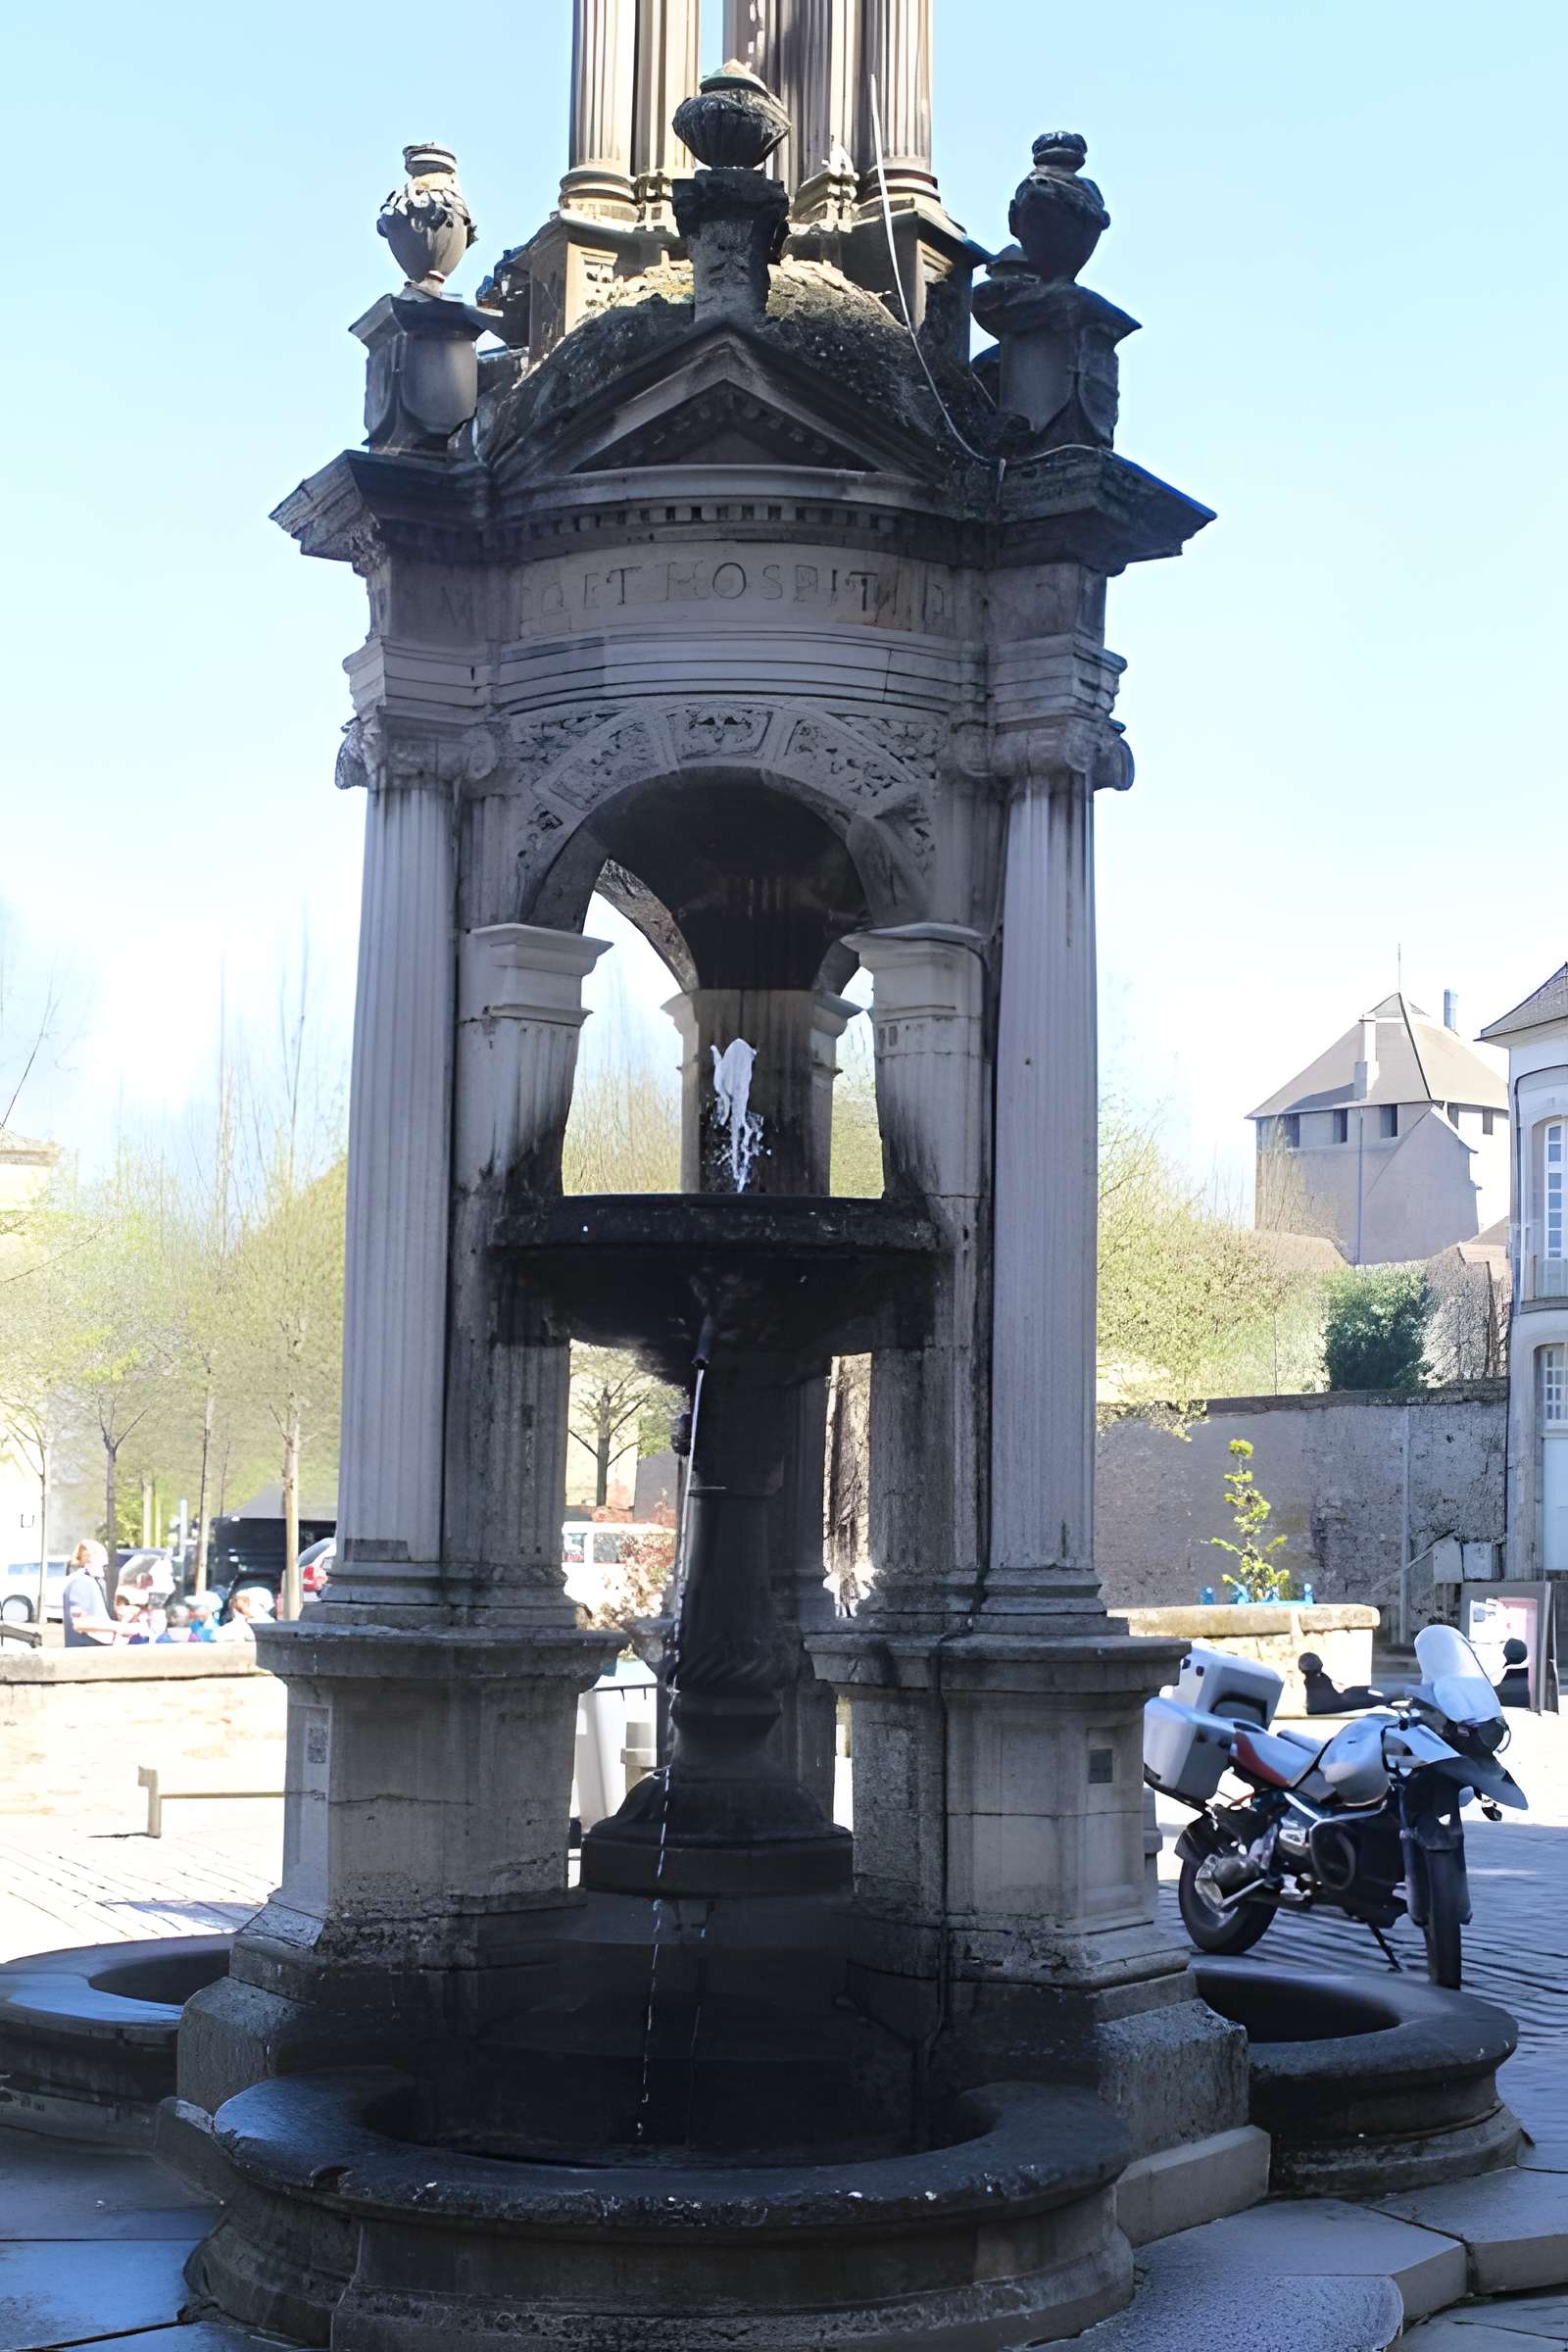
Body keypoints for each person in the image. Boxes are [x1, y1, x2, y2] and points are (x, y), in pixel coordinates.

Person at [61, 1541, 114, 1646]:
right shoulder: (82, 1582)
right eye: (104, 1563)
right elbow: (80, 1623)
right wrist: (121, 1627)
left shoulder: (88, 1580)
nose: (106, 1568)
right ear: (93, 1560)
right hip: (87, 1651)